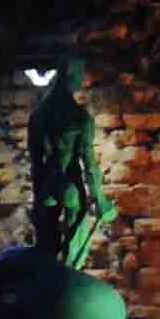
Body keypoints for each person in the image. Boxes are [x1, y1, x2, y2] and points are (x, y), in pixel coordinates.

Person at [28, 53, 111, 274]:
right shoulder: (80, 117)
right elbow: (89, 163)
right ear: (71, 77)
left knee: (46, 246)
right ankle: (67, 277)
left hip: (47, 184)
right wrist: (100, 199)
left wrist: (38, 197)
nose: (82, 81)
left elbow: (36, 163)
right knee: (74, 241)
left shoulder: (38, 115)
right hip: (69, 186)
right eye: (80, 76)